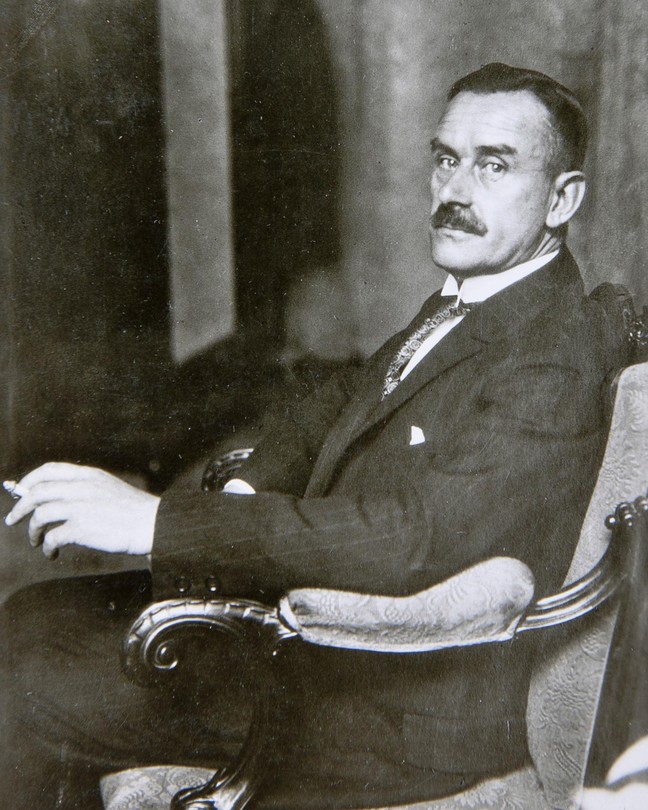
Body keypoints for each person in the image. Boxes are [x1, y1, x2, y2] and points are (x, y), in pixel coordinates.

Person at [0, 63, 634, 809]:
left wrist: (156, 521)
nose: (455, 192)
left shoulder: (550, 353)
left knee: (22, 676)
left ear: (564, 198)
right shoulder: (483, 296)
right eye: (445, 159)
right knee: (29, 618)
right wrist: (243, 488)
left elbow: (414, 538)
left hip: (387, 705)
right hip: (324, 651)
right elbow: (339, 397)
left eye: (495, 165)